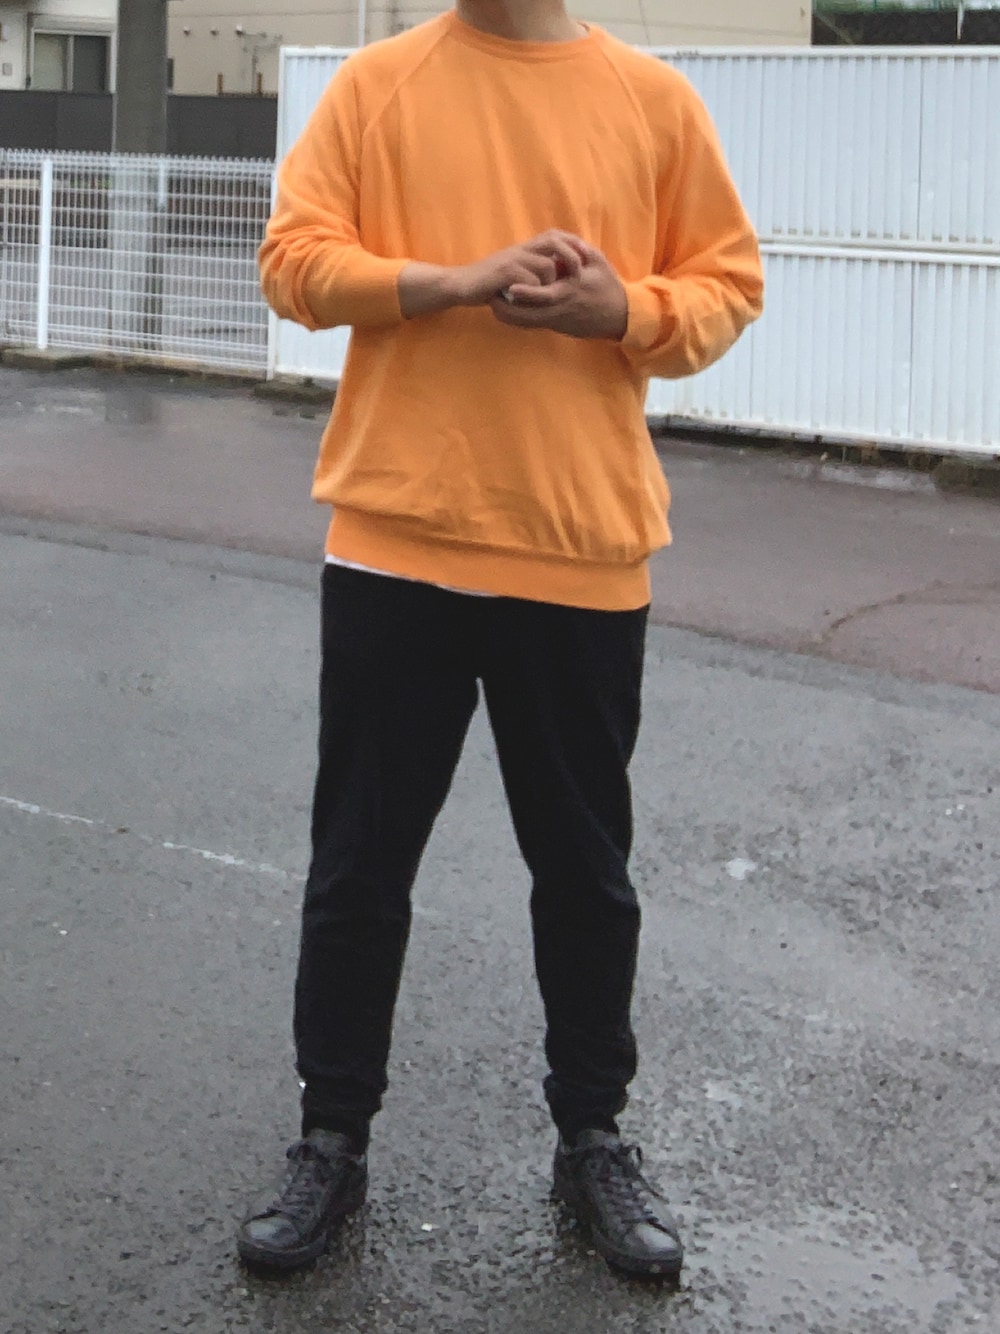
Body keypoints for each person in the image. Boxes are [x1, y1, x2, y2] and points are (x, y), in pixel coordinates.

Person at [237, 0, 763, 1281]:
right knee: (358, 864)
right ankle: (330, 1136)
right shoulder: (377, 85)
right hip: (395, 541)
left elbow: (726, 284)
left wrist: (623, 310)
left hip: (581, 549)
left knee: (584, 873)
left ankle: (593, 1136)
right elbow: (293, 264)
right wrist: (453, 280)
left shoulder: (651, 101)